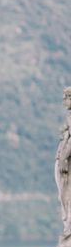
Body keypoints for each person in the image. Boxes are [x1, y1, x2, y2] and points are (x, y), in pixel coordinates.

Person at [55, 87, 71, 238]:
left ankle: (68, 232)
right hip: (62, 161)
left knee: (66, 197)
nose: (64, 102)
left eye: (66, 98)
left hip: (65, 164)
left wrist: (64, 160)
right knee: (63, 197)